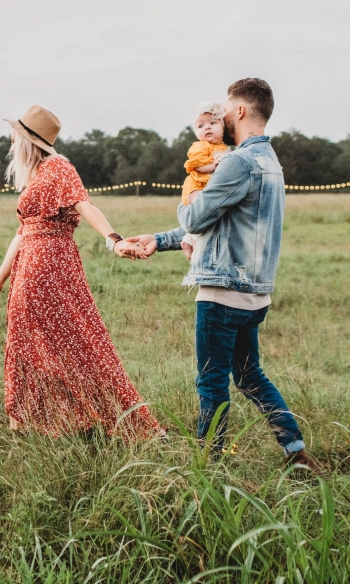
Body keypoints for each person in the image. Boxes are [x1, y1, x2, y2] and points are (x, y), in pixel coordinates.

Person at [127, 79, 322, 472]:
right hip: (255, 295)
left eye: (226, 109)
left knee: (211, 381)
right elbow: (222, 223)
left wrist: (189, 200)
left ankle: (208, 465)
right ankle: (296, 452)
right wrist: (160, 239)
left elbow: (198, 216)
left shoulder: (237, 161)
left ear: (241, 111)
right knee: (250, 376)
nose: (221, 116)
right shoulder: (271, 163)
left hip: (222, 292)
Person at [0, 105, 162, 438]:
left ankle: (92, 419)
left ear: (28, 139)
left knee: (74, 342)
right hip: (29, 266)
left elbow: (84, 204)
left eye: (14, 134)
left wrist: (114, 239)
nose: (9, 139)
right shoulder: (35, 175)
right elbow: (22, 234)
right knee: (28, 343)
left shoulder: (58, 167)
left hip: (49, 266)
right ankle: (33, 423)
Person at [180, 102, 231, 260]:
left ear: (223, 128)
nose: (207, 127)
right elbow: (196, 164)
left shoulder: (225, 148)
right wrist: (212, 166)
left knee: (210, 212)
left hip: (208, 186)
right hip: (196, 186)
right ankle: (192, 240)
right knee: (201, 208)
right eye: (201, 126)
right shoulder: (200, 146)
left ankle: (189, 238)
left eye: (213, 123)